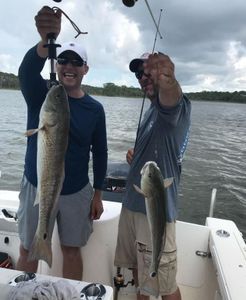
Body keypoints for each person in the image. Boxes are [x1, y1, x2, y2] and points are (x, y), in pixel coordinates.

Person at [16, 6, 108, 280]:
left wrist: (98, 193)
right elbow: (25, 72)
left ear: (85, 69)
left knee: (71, 251)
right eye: (63, 61)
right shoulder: (41, 95)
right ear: (56, 65)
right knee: (26, 246)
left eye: (76, 62)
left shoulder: (95, 109)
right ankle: (23, 293)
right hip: (36, 184)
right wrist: (45, 42)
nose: (68, 67)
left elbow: (100, 152)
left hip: (76, 192)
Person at [114, 52, 191, 300]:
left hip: (156, 213)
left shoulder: (174, 108)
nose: (143, 77)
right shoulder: (150, 112)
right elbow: (160, 147)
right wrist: (135, 156)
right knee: (140, 275)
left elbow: (171, 97)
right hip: (134, 206)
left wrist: (167, 80)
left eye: (149, 72)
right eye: (139, 74)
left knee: (165, 285)